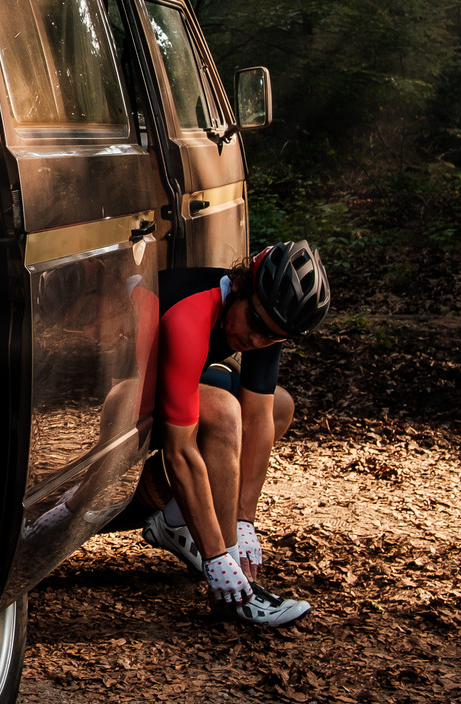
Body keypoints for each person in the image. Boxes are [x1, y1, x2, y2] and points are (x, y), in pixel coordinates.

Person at [139, 241, 331, 628]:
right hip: (120, 382)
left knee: (280, 405)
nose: (258, 342)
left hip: (173, 374)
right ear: (242, 286)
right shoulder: (192, 312)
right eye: (257, 326)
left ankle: (177, 520)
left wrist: (246, 522)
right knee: (225, 413)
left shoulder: (265, 319)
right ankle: (234, 592)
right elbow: (179, 452)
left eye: (274, 338)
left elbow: (260, 418)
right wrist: (220, 558)